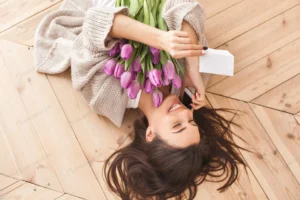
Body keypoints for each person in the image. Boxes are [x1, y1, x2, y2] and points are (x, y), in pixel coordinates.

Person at [34, 0, 252, 199]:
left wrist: (162, 40)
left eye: (177, 125)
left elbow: (95, 22)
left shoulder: (105, 95)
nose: (185, 113)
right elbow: (188, 7)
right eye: (192, 121)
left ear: (150, 134)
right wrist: (192, 66)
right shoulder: (193, 81)